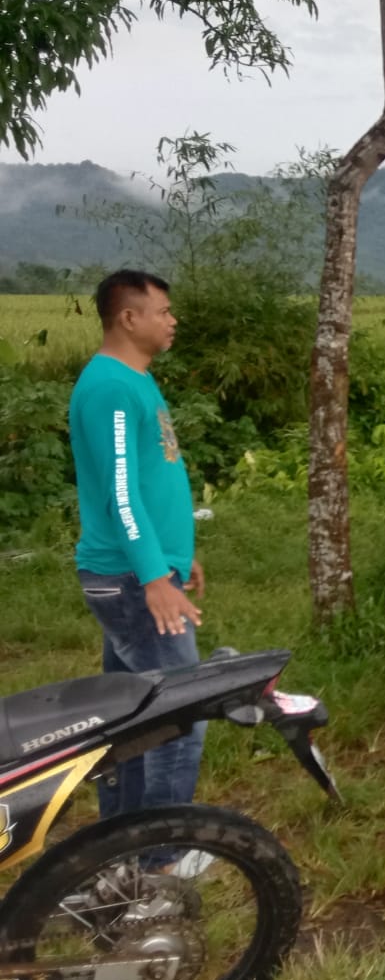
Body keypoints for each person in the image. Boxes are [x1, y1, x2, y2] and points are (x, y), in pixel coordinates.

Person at [70, 270, 207, 820]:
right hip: (131, 581)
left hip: (138, 572)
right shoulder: (111, 388)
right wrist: (153, 576)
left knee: (129, 719)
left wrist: (175, 557)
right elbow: (121, 494)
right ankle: (159, 858)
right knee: (178, 717)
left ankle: (120, 845)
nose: (173, 320)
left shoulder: (133, 379)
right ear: (129, 318)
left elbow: (151, 480)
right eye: (164, 311)